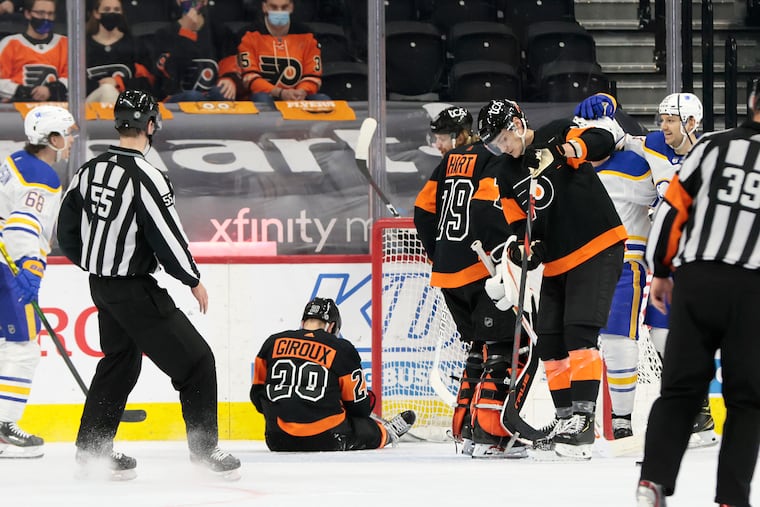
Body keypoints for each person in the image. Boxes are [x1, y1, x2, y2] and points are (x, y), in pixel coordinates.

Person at [56, 89, 240, 480]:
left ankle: (92, 451)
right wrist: (191, 278)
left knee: (119, 363)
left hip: (101, 285)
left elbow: (66, 226)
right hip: (134, 289)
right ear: (151, 125)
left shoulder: (89, 170)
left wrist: (91, 262)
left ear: (119, 123)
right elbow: (167, 235)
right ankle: (205, 451)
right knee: (196, 362)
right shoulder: (148, 176)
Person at [478, 98, 626, 460]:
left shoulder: (555, 132)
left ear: (515, 124)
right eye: (495, 143)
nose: (502, 147)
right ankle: (564, 420)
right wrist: (526, 249)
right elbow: (519, 223)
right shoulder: (505, 172)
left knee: (579, 332)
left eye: (503, 138)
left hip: (596, 245)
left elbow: (604, 139)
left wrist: (568, 149)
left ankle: (583, 421)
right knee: (550, 340)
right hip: (559, 260)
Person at [636, 77, 760, 507]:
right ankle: (731, 498)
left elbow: (672, 210)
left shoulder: (710, 147)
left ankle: (652, 481)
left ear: (751, 102)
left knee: (680, 389)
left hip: (696, 280)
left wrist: (662, 272)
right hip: (752, 290)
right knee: (746, 400)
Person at [575, 91, 717, 447]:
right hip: (660, 261)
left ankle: (700, 414)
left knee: (675, 338)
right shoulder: (653, 144)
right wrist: (607, 103)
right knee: (649, 334)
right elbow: (618, 138)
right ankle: (628, 422)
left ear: (692, 123)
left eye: (671, 119)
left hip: (698, 260)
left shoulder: (712, 156)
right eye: (662, 118)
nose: (663, 126)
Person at [414, 103, 531, 459]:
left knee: (479, 347)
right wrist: (503, 255)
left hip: (448, 274)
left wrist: (439, 253)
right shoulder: (491, 161)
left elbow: (422, 210)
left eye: (445, 136)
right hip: (480, 269)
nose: (441, 144)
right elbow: (487, 210)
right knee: (508, 347)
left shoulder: (447, 164)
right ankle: (492, 434)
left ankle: (465, 429)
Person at [0, 105, 76, 459]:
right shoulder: (42, 177)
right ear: (52, 139)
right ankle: (5, 427)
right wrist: (30, 269)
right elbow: (21, 224)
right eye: (68, 133)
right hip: (7, 267)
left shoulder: (14, 159)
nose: (72, 139)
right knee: (22, 347)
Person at [251, 297, 416, 451]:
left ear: (303, 323)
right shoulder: (341, 348)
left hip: (277, 439)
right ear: (331, 326)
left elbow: (257, 395)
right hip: (326, 437)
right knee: (364, 427)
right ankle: (387, 433)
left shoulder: (272, 342)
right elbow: (359, 407)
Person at [237, 0, 330, 106]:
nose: (279, 12)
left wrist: (302, 92)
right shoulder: (249, 35)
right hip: (264, 96)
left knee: (322, 100)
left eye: (284, 7)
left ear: (291, 7)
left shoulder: (307, 35)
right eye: (274, 7)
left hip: (298, 95)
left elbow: (313, 75)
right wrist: (280, 93)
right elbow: (250, 78)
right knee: (261, 98)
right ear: (264, 7)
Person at [150, 0, 242, 102]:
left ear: (205, 1)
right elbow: (170, 77)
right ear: (178, 1)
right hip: (175, 97)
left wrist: (229, 78)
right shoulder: (164, 34)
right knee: (193, 96)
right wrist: (186, 32)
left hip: (211, 96)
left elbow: (230, 59)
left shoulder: (219, 31)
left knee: (222, 92)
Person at [85, 0, 155, 104]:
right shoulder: (83, 46)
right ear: (96, 13)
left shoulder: (135, 45)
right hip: (91, 106)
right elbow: (74, 83)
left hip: (129, 103)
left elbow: (148, 83)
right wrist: (102, 86)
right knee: (107, 90)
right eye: (107, 9)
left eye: (117, 10)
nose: (112, 13)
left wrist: (118, 82)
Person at [0, 0, 67, 103]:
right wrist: (25, 92)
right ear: (28, 14)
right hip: (17, 108)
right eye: (40, 13)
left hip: (56, 109)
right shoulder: (10, 43)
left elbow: (74, 78)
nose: (46, 18)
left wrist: (52, 90)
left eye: (50, 13)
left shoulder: (65, 43)